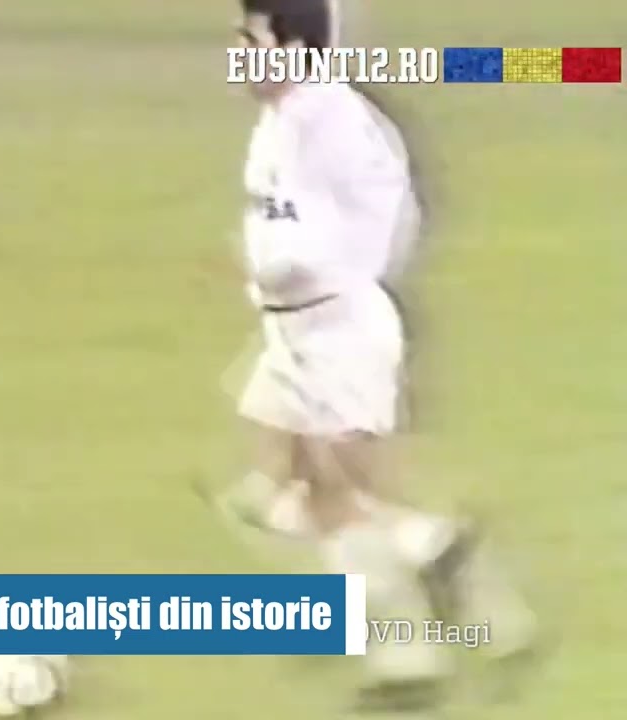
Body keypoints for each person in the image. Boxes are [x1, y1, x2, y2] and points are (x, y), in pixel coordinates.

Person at [212, 0, 540, 711]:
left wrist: (323, 278)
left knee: (339, 495)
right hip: (298, 328)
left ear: (294, 48)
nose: (238, 53)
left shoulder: (331, 123)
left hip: (336, 326)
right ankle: (413, 565)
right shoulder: (286, 118)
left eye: (251, 39)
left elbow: (384, 218)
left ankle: (412, 638)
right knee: (272, 488)